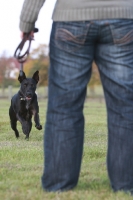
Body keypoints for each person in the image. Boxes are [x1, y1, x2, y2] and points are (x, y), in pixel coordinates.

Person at [19, 0, 133, 193]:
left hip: (71, 18)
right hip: (123, 17)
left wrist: (27, 22)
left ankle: (58, 186)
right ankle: (127, 185)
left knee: (64, 108)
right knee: (125, 107)